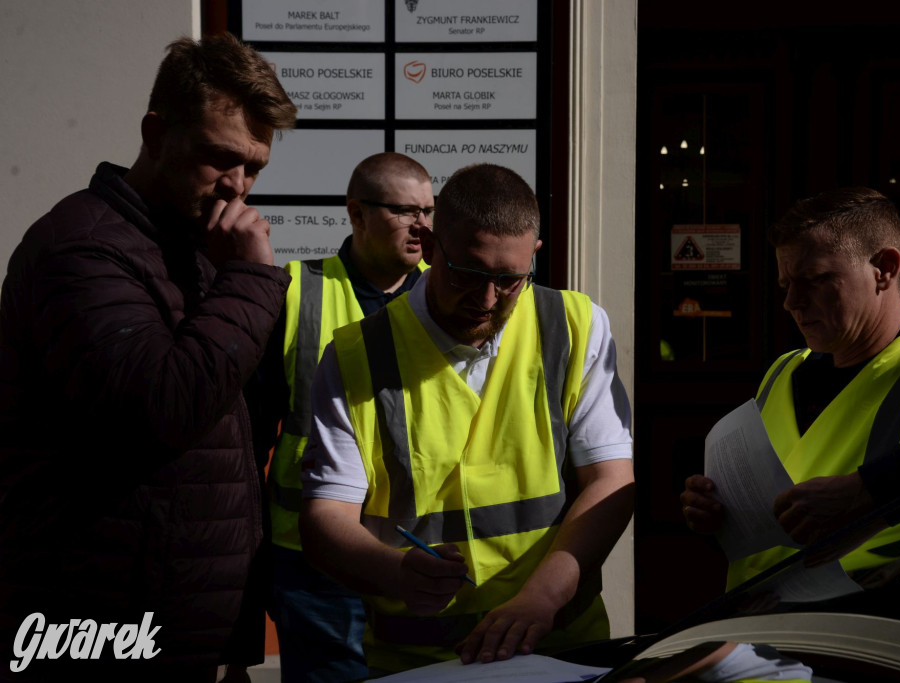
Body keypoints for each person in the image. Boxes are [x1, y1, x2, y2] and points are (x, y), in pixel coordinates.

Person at [0, 34, 296, 681]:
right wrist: (249, 283)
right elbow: (158, 406)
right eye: (219, 158)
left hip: (180, 629)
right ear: (155, 133)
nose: (237, 188)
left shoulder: (194, 249)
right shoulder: (79, 249)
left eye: (254, 169)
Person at [298, 163, 635, 674]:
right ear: (430, 248)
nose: (486, 300)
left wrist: (542, 598)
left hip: (558, 645)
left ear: (534, 259)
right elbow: (326, 519)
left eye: (508, 280)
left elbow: (611, 481)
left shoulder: (575, 325)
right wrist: (395, 571)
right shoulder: (354, 356)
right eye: (469, 274)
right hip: (419, 661)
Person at [681, 187, 900, 607]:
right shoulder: (784, 370)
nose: (791, 302)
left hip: (885, 641)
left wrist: (867, 493)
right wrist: (719, 519)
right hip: (759, 634)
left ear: (884, 268)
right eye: (786, 283)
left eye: (815, 280)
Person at [250, 152, 433, 682]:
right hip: (314, 566)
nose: (423, 225)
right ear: (356, 214)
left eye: (429, 210)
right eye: (405, 211)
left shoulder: (445, 300)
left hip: (418, 556)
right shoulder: (294, 291)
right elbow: (248, 439)